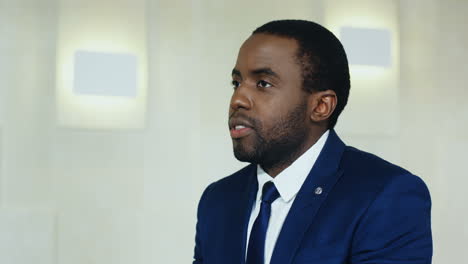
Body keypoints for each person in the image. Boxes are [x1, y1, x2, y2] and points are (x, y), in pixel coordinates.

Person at [193, 19, 432, 264]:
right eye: (236, 83)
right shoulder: (218, 200)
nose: (238, 99)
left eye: (263, 84)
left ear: (320, 106)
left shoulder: (385, 196)